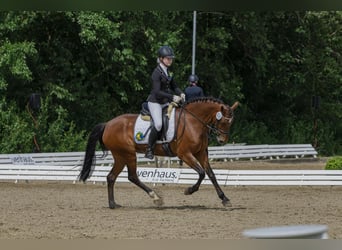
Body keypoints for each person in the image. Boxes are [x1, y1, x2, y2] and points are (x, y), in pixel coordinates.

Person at [145, 45, 185, 159]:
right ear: (161, 58)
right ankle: (149, 149)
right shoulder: (156, 73)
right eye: (168, 58)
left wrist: (180, 93)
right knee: (158, 124)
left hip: (165, 101)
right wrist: (172, 97)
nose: (170, 60)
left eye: (171, 58)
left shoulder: (168, 71)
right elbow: (157, 92)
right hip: (155, 102)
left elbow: (174, 86)